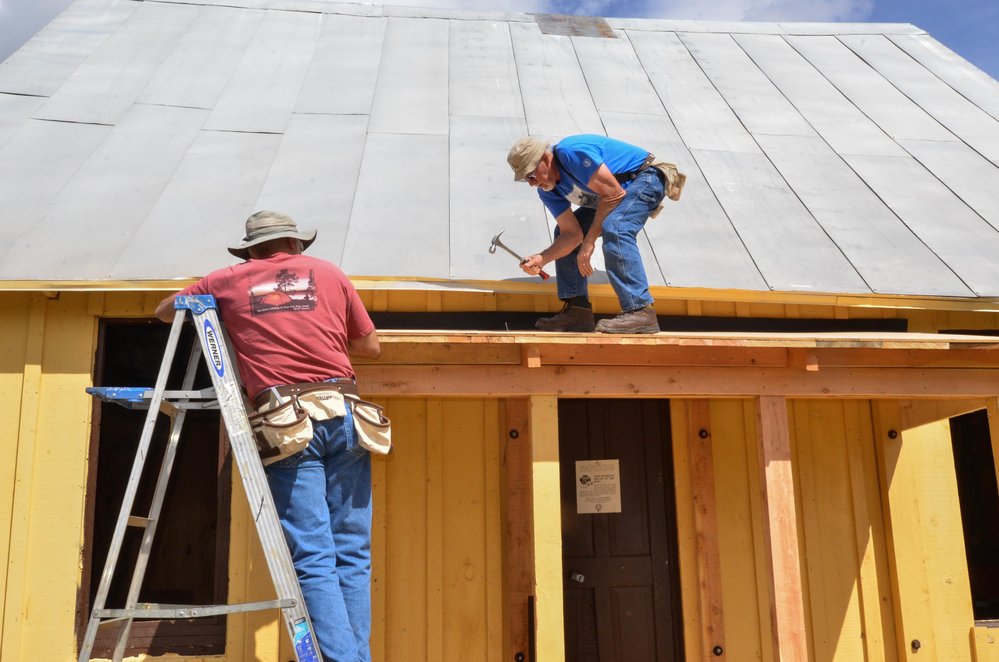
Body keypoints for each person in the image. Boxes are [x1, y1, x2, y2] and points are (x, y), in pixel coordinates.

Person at [155, 211, 380, 662]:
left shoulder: (224, 280)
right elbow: (370, 347)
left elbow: (164, 313)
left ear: (250, 250)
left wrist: (220, 302)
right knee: (353, 554)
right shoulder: (330, 273)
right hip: (346, 413)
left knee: (314, 556)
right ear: (296, 244)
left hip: (286, 420)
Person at [506, 134, 684, 334]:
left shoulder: (570, 152)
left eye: (531, 175)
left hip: (645, 178)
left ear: (546, 159)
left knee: (616, 226)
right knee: (561, 232)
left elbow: (614, 193)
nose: (531, 183)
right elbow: (571, 235)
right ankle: (577, 313)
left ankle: (640, 311)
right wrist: (542, 258)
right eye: (525, 180)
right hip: (612, 196)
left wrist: (589, 243)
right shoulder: (547, 191)